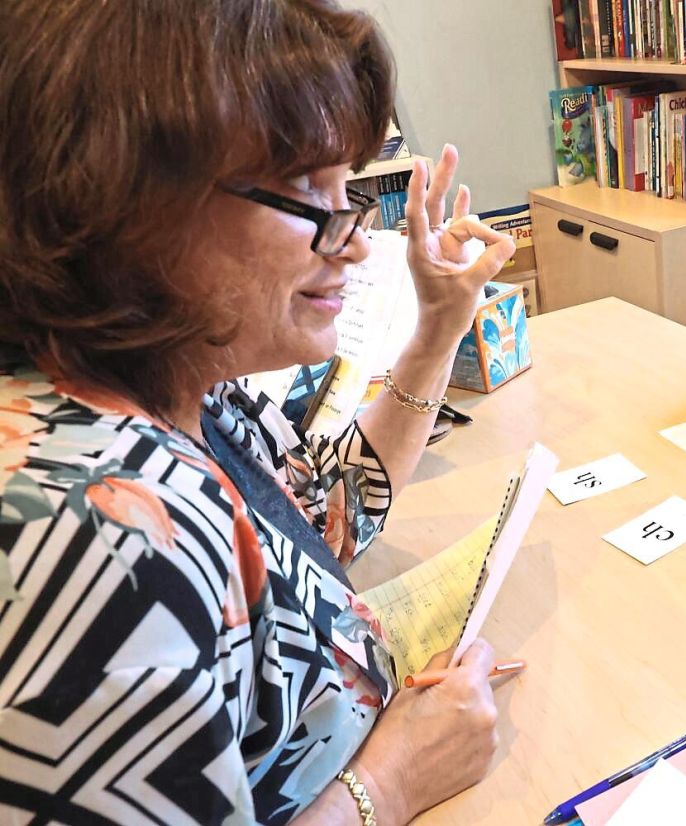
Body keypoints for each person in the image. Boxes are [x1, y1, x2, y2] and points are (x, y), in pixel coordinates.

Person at [0, 1, 516, 824]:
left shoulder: (178, 375)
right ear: (119, 194)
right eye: (308, 191)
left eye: (348, 188)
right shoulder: (95, 536)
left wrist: (440, 328)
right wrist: (389, 781)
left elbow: (325, 520)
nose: (354, 240)